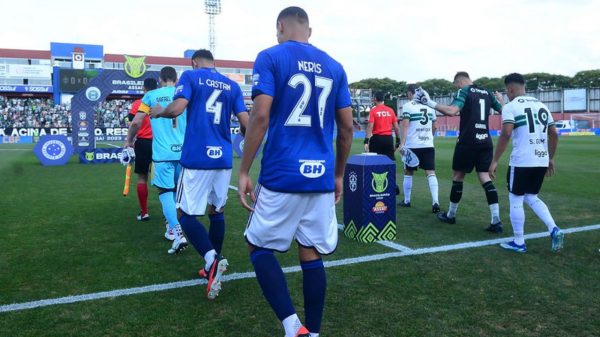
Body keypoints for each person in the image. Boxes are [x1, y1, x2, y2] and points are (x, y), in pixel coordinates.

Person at [238, 7, 353, 337]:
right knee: (311, 249)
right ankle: (313, 332)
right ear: (309, 31)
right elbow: (346, 128)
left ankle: (292, 327)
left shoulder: (271, 56)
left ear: (280, 27)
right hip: (319, 176)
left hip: (281, 173)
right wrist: (338, 175)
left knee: (257, 246)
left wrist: (244, 169)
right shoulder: (335, 66)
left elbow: (260, 117)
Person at [150, 49, 249, 299]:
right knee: (217, 211)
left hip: (197, 158)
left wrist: (160, 110)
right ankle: (211, 266)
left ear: (194, 63)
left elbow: (177, 109)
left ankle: (211, 258)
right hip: (223, 159)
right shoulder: (230, 85)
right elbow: (247, 124)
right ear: (213, 62)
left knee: (184, 213)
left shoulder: (190, 77)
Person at [414, 72, 504, 233]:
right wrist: (502, 101)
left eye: (456, 85)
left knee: (458, 177)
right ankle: (496, 220)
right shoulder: (488, 92)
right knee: (484, 177)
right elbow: (504, 110)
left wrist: (429, 103)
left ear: (460, 81)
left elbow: (452, 110)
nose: (456, 88)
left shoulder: (464, 91)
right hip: (485, 142)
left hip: (468, 141)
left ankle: (451, 215)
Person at [489, 73, 564, 253]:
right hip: (540, 159)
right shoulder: (542, 105)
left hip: (522, 161)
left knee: (515, 198)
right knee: (531, 196)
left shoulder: (511, 107)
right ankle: (554, 228)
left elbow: (506, 133)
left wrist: (494, 161)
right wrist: (550, 157)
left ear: (510, 89)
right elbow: (553, 133)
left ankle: (519, 242)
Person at [126, 66, 188, 255]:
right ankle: (174, 227)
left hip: (163, 154)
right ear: (175, 79)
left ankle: (176, 232)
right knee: (178, 194)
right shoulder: (185, 94)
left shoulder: (150, 96)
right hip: (184, 153)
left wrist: (129, 141)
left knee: (165, 191)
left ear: (161, 79)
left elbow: (136, 121)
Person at [397, 84, 439, 212]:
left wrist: (402, 144)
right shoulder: (430, 105)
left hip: (412, 145)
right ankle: (435, 202)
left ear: (410, 93)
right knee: (430, 172)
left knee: (408, 172)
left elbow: (405, 126)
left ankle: (407, 200)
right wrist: (429, 138)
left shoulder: (408, 106)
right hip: (427, 145)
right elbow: (435, 127)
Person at [127, 78, 157, 221]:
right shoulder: (162, 101)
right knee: (166, 179)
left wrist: (129, 141)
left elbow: (134, 123)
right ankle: (170, 216)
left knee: (142, 177)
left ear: (144, 88)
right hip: (161, 143)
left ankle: (144, 212)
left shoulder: (138, 103)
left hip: (143, 143)